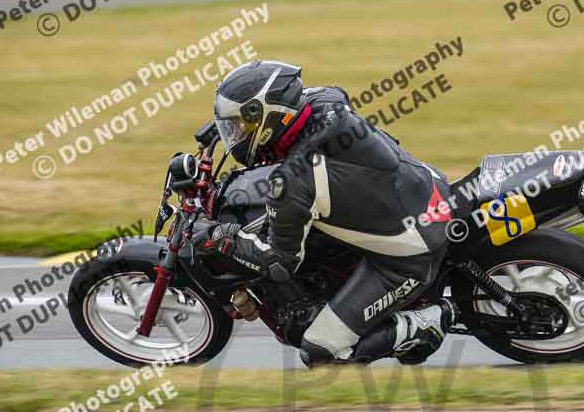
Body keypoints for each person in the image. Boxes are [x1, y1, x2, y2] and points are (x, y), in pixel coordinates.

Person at [192, 60, 456, 366]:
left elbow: (280, 264)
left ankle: (429, 322)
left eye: (238, 126)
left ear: (267, 121)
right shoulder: (323, 103)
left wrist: (222, 240)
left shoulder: (294, 181)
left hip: (412, 251)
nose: (234, 135)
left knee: (322, 350)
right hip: (423, 188)